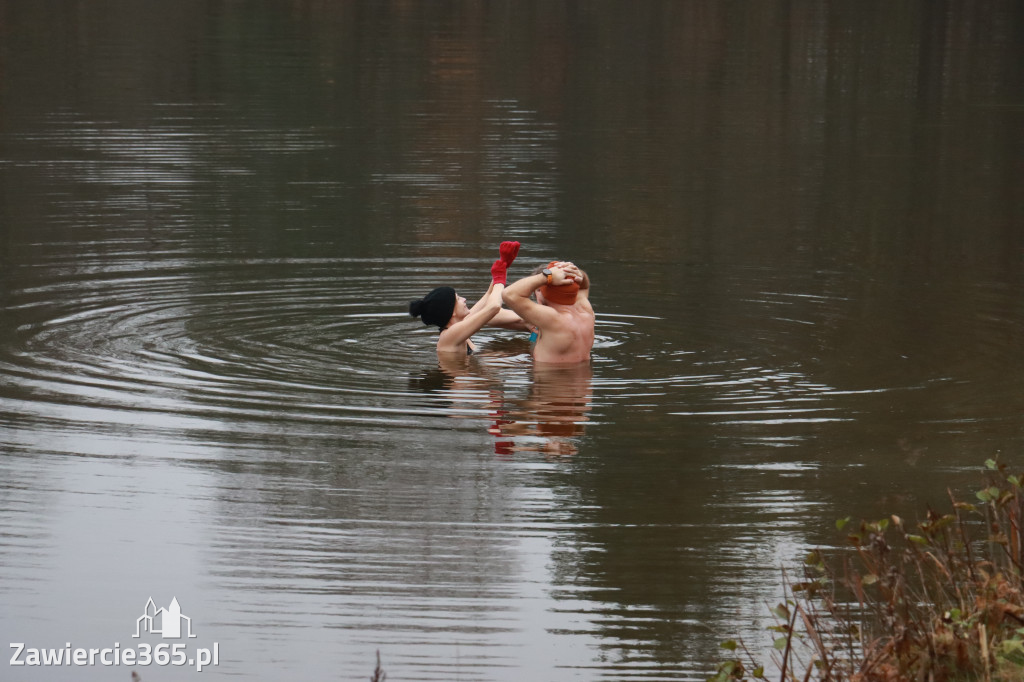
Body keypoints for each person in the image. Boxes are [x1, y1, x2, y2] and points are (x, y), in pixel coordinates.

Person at [409, 241, 528, 356]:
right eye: (458, 299)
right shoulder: (449, 336)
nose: (464, 299)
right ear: (452, 312)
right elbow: (494, 307)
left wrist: (504, 263)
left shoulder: (461, 325)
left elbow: (488, 296)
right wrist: (499, 277)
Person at [501, 260, 594, 364]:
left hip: (550, 379)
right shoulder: (585, 310)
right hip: (583, 378)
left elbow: (508, 294)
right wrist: (575, 272)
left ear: (542, 290)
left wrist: (545, 277)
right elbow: (584, 286)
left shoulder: (552, 318)